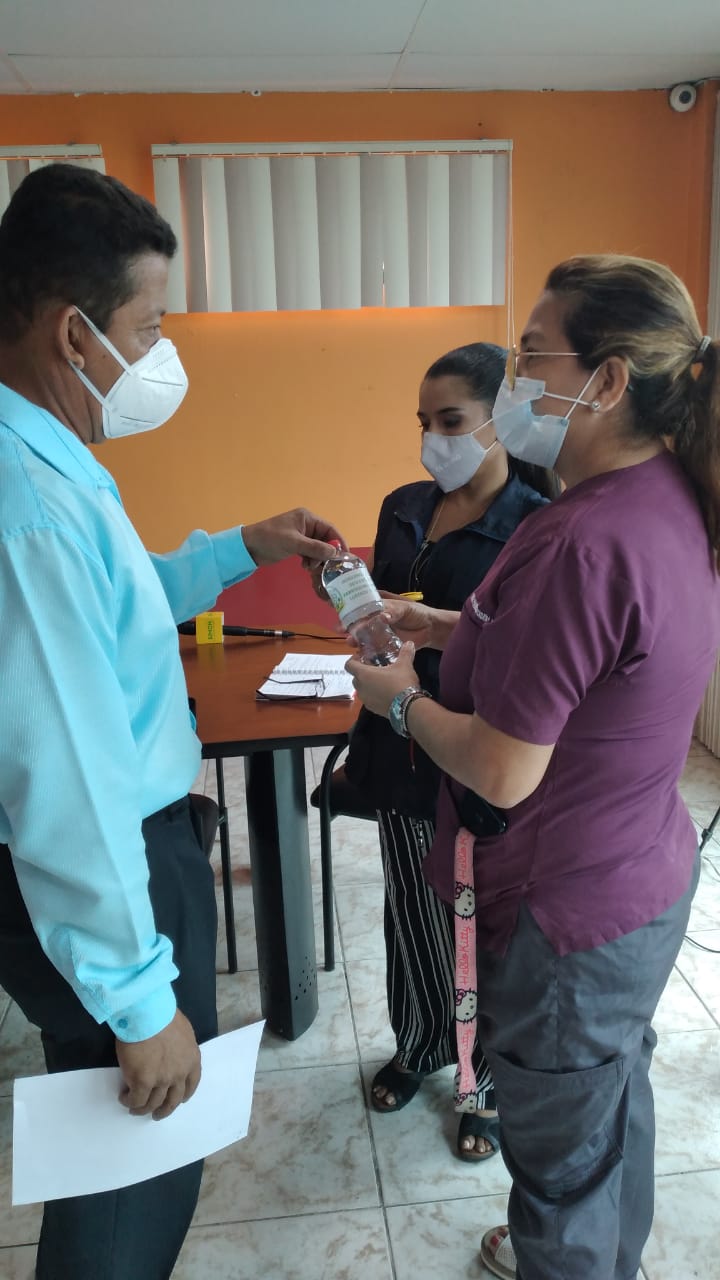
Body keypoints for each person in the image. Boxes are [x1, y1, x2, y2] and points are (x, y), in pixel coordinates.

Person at [347, 254, 720, 1280]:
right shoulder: (665, 499)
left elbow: (503, 769)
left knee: (559, 1166)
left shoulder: (580, 539)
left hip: (570, 918)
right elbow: (586, 655)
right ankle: (597, 1250)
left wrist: (400, 699)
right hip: (639, 875)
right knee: (606, 1105)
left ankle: (573, 1257)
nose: (515, 378)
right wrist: (450, 624)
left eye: (530, 355)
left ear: (606, 380)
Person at [0, 163, 342, 1280]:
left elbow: (121, 596)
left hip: (127, 850)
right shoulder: (27, 507)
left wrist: (242, 546)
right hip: (116, 862)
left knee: (129, 1160)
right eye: (147, 329)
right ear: (73, 332)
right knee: (134, 1165)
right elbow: (64, 775)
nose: (159, 355)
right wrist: (140, 1002)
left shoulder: (44, 457)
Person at [311, 343, 555, 1159]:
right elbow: (382, 615)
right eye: (424, 422)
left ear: (501, 420)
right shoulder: (404, 506)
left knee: (474, 926)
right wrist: (348, 596)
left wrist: (428, 649)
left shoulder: (534, 526)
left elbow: (522, 653)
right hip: (394, 745)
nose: (432, 440)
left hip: (471, 754)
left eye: (451, 421)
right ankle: (418, 1045)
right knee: (410, 912)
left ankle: (483, 1084)